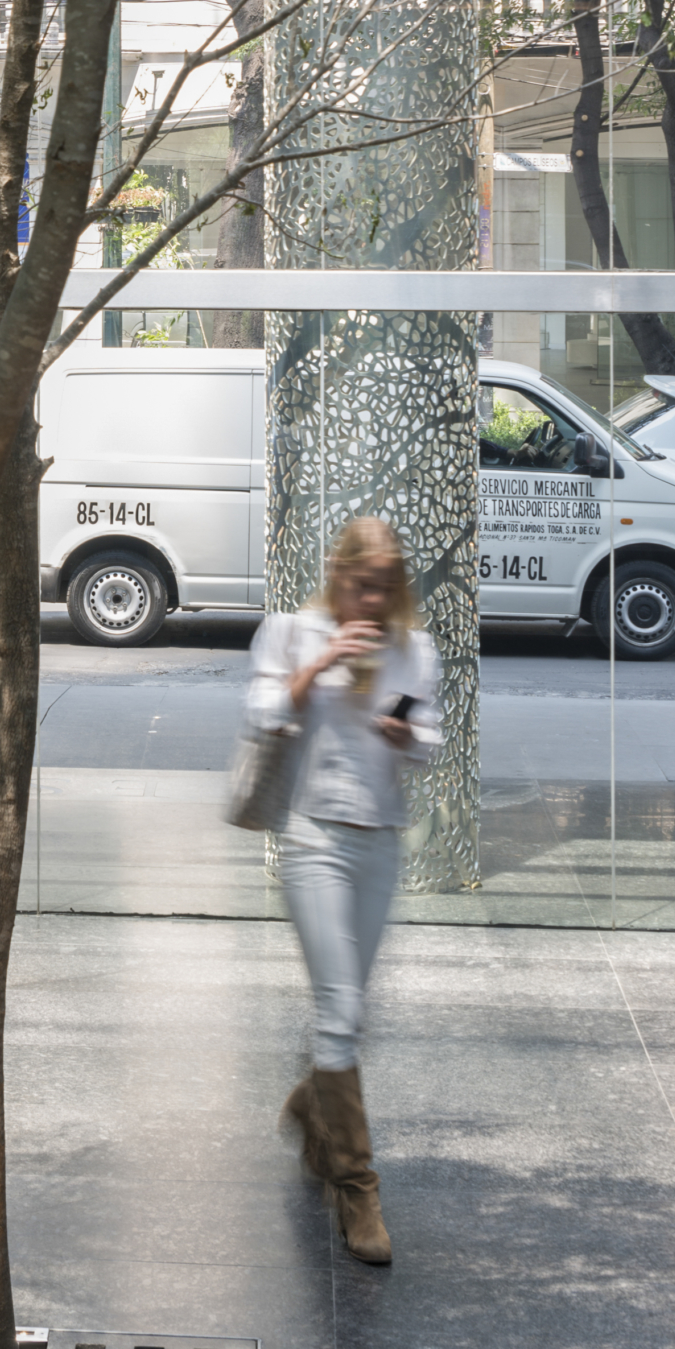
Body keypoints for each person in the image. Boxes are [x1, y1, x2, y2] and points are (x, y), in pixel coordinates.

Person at [249, 515, 442, 1266]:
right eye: (361, 586)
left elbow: (430, 738)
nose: (371, 600)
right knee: (337, 1012)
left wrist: (405, 736)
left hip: (379, 841)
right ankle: (356, 1188)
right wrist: (322, 658)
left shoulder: (411, 648)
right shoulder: (294, 631)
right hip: (311, 840)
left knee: (350, 1012)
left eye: (384, 588)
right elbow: (264, 713)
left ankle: (310, 1104)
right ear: (338, 576)